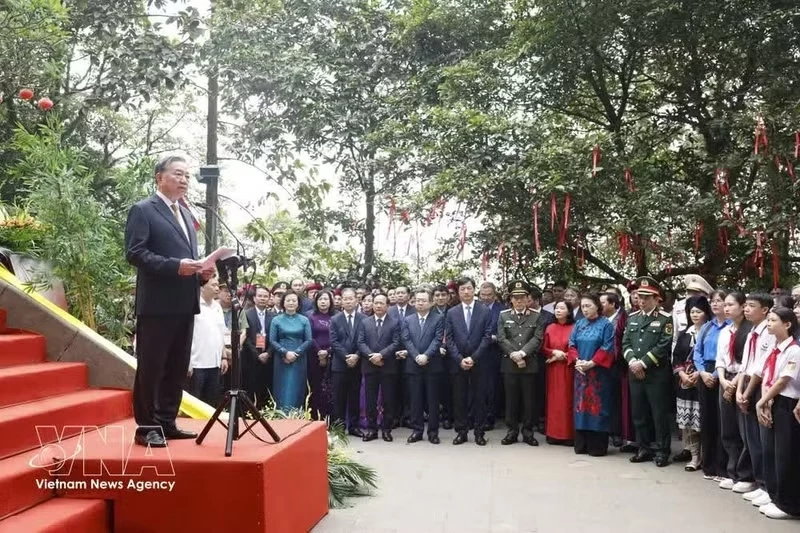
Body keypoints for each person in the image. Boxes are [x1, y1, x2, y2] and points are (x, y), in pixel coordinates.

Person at [124, 155, 214, 447]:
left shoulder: (187, 215)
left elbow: (188, 259)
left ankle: (166, 421)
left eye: (187, 175)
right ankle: (146, 426)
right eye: (178, 174)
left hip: (185, 303)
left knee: (177, 367)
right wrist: (176, 266)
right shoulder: (143, 210)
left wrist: (201, 273)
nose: (184, 180)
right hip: (156, 305)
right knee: (152, 367)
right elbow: (135, 253)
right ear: (159, 177)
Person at [622, 277, 674, 467]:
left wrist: (643, 364)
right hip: (635, 373)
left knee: (658, 414)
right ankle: (643, 447)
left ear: (656, 298)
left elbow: (663, 345)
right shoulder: (633, 318)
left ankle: (662, 451)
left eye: (646, 297)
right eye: (639, 297)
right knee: (639, 413)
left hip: (656, 374)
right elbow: (625, 342)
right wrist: (633, 362)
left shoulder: (665, 319)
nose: (641, 301)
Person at [756, 307, 800, 519]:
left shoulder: (794, 350)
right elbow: (767, 375)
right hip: (773, 399)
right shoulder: (775, 348)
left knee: (786, 454)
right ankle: (775, 495)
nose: (769, 323)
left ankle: (788, 504)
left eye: (773, 320)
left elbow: (784, 380)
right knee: (772, 451)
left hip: (787, 403)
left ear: (787, 324)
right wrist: (765, 400)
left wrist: (762, 401)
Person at [735, 293, 776, 499]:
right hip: (747, 386)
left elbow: (759, 367)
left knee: (761, 440)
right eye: (746, 306)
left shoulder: (768, 332)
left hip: (758, 386)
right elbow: (745, 364)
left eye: (751, 306)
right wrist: (740, 391)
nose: (746, 309)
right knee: (750, 438)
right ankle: (757, 481)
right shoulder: (752, 331)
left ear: (765, 310)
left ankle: (766, 485)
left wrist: (748, 392)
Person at [445, 277, 493, 446]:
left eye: (469, 288)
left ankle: (479, 432)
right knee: (459, 398)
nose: (466, 292)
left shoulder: (485, 310)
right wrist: (460, 358)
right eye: (462, 289)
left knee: (480, 397)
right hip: (458, 362)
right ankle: (461, 431)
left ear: (474, 290)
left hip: (479, 361)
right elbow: (448, 339)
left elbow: (487, 337)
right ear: (458, 292)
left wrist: (473, 358)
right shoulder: (452, 312)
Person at [496, 280, 544, 446]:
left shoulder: (536, 316)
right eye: (515, 297)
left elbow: (537, 338)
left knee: (529, 401)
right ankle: (512, 431)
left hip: (529, 363)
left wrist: (523, 353)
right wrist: (514, 354)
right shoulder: (504, 315)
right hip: (509, 364)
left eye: (522, 297)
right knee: (511, 400)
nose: (518, 300)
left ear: (528, 298)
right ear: (510, 299)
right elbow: (501, 338)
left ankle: (528, 432)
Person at [715, 292, 754, 490]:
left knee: (743, 430)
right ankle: (732, 472)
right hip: (726, 380)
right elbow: (720, 360)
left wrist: (735, 384)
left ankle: (746, 475)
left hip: (743, 381)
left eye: (731, 305)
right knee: (728, 429)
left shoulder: (750, 331)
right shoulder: (724, 332)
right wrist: (723, 380)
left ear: (742, 306)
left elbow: (748, 363)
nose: (726, 308)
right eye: (726, 305)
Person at [569, 294, 616, 456]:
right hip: (581, 373)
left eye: (588, 306)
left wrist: (592, 363)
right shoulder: (579, 324)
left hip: (598, 373)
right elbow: (571, 344)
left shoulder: (606, 325)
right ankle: (582, 443)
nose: (585, 309)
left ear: (597, 306)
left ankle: (597, 445)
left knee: (598, 407)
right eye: (582, 306)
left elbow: (607, 347)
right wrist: (577, 361)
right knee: (580, 407)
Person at [693, 289, 731, 481]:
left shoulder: (732, 327)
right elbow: (697, 352)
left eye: (720, 301)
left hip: (722, 374)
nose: (715, 304)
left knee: (721, 421)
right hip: (705, 372)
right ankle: (709, 466)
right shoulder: (707, 327)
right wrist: (702, 372)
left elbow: (728, 356)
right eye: (713, 301)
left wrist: (715, 375)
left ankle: (722, 467)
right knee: (707, 420)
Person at [672, 295, 712, 471]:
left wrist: (698, 373)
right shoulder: (684, 334)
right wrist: (682, 374)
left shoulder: (710, 332)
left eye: (699, 311)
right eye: (692, 312)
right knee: (689, 425)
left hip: (702, 382)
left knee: (702, 423)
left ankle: (706, 456)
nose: (695, 315)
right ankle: (694, 457)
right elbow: (677, 357)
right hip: (686, 384)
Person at [402, 288, 445, 444]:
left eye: (423, 300)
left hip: (432, 364)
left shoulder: (438, 318)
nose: (420, 303)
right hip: (413, 365)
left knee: (433, 400)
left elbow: (438, 339)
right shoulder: (408, 320)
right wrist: (416, 356)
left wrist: (426, 355)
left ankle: (433, 432)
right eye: (417, 300)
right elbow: (406, 340)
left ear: (431, 302)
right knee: (415, 400)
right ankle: (417, 430)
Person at [358, 293, 402, 442]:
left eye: (381, 303)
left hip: (387, 366)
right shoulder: (365, 322)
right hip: (370, 366)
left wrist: (381, 355)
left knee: (388, 399)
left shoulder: (395, 322)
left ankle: (386, 429)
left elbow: (396, 343)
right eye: (375, 303)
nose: (377, 306)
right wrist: (372, 356)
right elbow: (361, 342)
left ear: (387, 306)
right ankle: (371, 429)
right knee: (370, 399)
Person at [188, 276, 229, 407]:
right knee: (194, 402)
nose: (217, 288)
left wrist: (223, 357)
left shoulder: (217, 307)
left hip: (215, 363)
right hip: (196, 363)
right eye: (213, 285)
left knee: (211, 403)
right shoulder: (192, 304)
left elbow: (221, 333)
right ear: (202, 286)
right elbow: (186, 335)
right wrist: (187, 361)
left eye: (218, 285)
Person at [329, 288, 365, 436]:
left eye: (351, 298)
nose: (348, 301)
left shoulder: (364, 319)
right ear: (341, 301)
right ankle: (339, 426)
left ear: (356, 301)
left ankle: (354, 426)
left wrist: (356, 356)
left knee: (354, 395)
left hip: (357, 363)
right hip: (339, 364)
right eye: (345, 299)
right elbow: (334, 341)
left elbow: (363, 340)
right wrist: (346, 357)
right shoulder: (335, 319)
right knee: (339, 397)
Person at [269, 291, 312, 410]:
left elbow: (308, 340)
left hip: (299, 357)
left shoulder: (304, 320)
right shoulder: (276, 320)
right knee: (282, 386)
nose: (291, 303)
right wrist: (285, 352)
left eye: (294, 300)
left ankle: (296, 414)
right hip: (281, 357)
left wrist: (296, 353)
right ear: (283, 303)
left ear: (298, 304)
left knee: (296, 386)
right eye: (288, 300)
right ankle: (280, 414)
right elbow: (272, 340)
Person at [541, 300, 576, 445]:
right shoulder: (549, 327)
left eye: (562, 308)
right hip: (553, 368)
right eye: (556, 308)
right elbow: (543, 347)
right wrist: (554, 352)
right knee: (553, 401)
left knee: (567, 400)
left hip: (568, 368)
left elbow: (576, 347)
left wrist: (564, 355)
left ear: (569, 311)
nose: (558, 311)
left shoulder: (575, 327)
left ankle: (568, 434)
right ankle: (553, 433)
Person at [306, 290, 336, 420]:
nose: (323, 302)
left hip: (334, 355)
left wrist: (327, 352)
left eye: (326, 299)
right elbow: (310, 337)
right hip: (314, 356)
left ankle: (330, 418)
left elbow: (338, 338)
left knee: (331, 388)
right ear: (316, 301)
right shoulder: (310, 316)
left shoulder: (336, 316)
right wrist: (320, 352)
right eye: (320, 299)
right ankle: (314, 417)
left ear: (330, 301)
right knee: (315, 387)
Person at [242, 285, 273, 408]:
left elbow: (275, 338)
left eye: (265, 296)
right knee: (250, 387)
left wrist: (268, 353)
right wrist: (256, 354)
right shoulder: (246, 314)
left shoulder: (274, 316)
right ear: (254, 298)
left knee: (266, 388)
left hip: (268, 357)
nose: (262, 299)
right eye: (260, 296)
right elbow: (246, 337)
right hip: (250, 357)